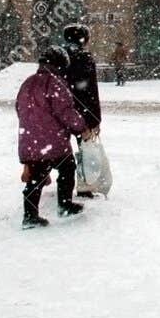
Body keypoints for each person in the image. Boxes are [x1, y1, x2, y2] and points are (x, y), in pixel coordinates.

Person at [16, 47, 91, 228]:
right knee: (67, 168)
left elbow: (19, 108)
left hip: (31, 139)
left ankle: (30, 214)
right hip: (52, 140)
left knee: (37, 177)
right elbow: (65, 112)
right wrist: (81, 127)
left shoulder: (28, 82)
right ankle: (64, 204)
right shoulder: (55, 83)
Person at [58, 23, 104, 198]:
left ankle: (60, 186)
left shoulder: (58, 56)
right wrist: (95, 119)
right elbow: (91, 90)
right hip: (82, 110)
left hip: (60, 109)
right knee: (84, 148)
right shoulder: (84, 57)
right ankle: (84, 185)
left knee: (58, 148)